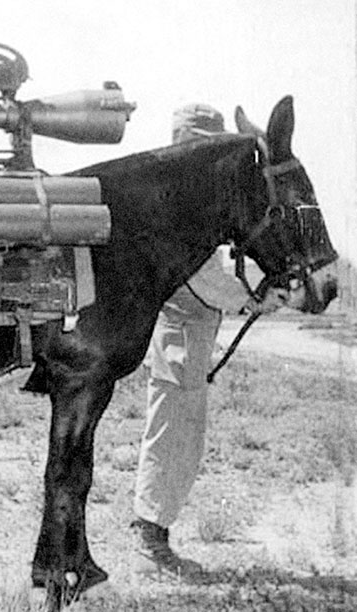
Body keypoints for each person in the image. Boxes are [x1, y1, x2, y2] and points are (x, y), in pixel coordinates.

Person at [131, 103, 289, 577]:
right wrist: (256, 297)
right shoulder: (179, 206)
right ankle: (149, 538)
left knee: (180, 435)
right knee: (172, 435)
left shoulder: (190, 201)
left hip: (189, 333)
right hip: (179, 334)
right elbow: (207, 275)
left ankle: (153, 531)